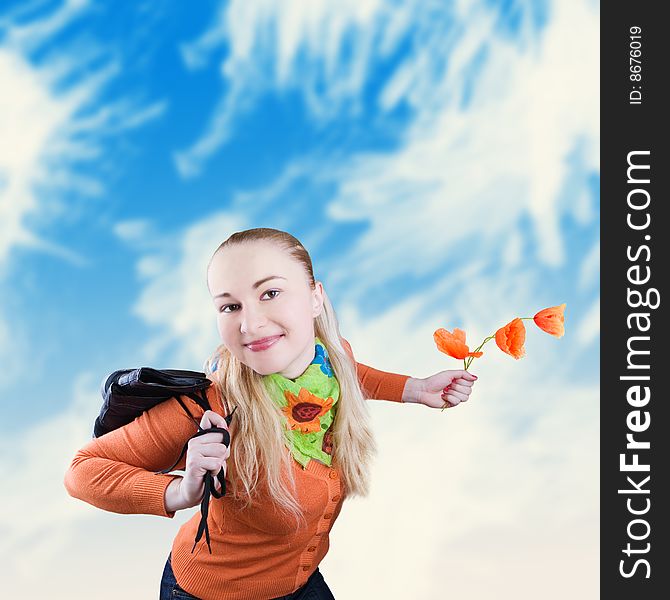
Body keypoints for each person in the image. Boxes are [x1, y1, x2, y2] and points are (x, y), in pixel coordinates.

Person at [64, 227, 477, 600]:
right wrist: (180, 492)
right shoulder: (210, 407)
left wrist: (416, 389)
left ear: (315, 297)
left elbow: (352, 375)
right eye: (230, 307)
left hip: (298, 583)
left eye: (270, 293)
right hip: (212, 593)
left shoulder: (329, 359)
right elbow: (82, 471)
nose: (251, 323)